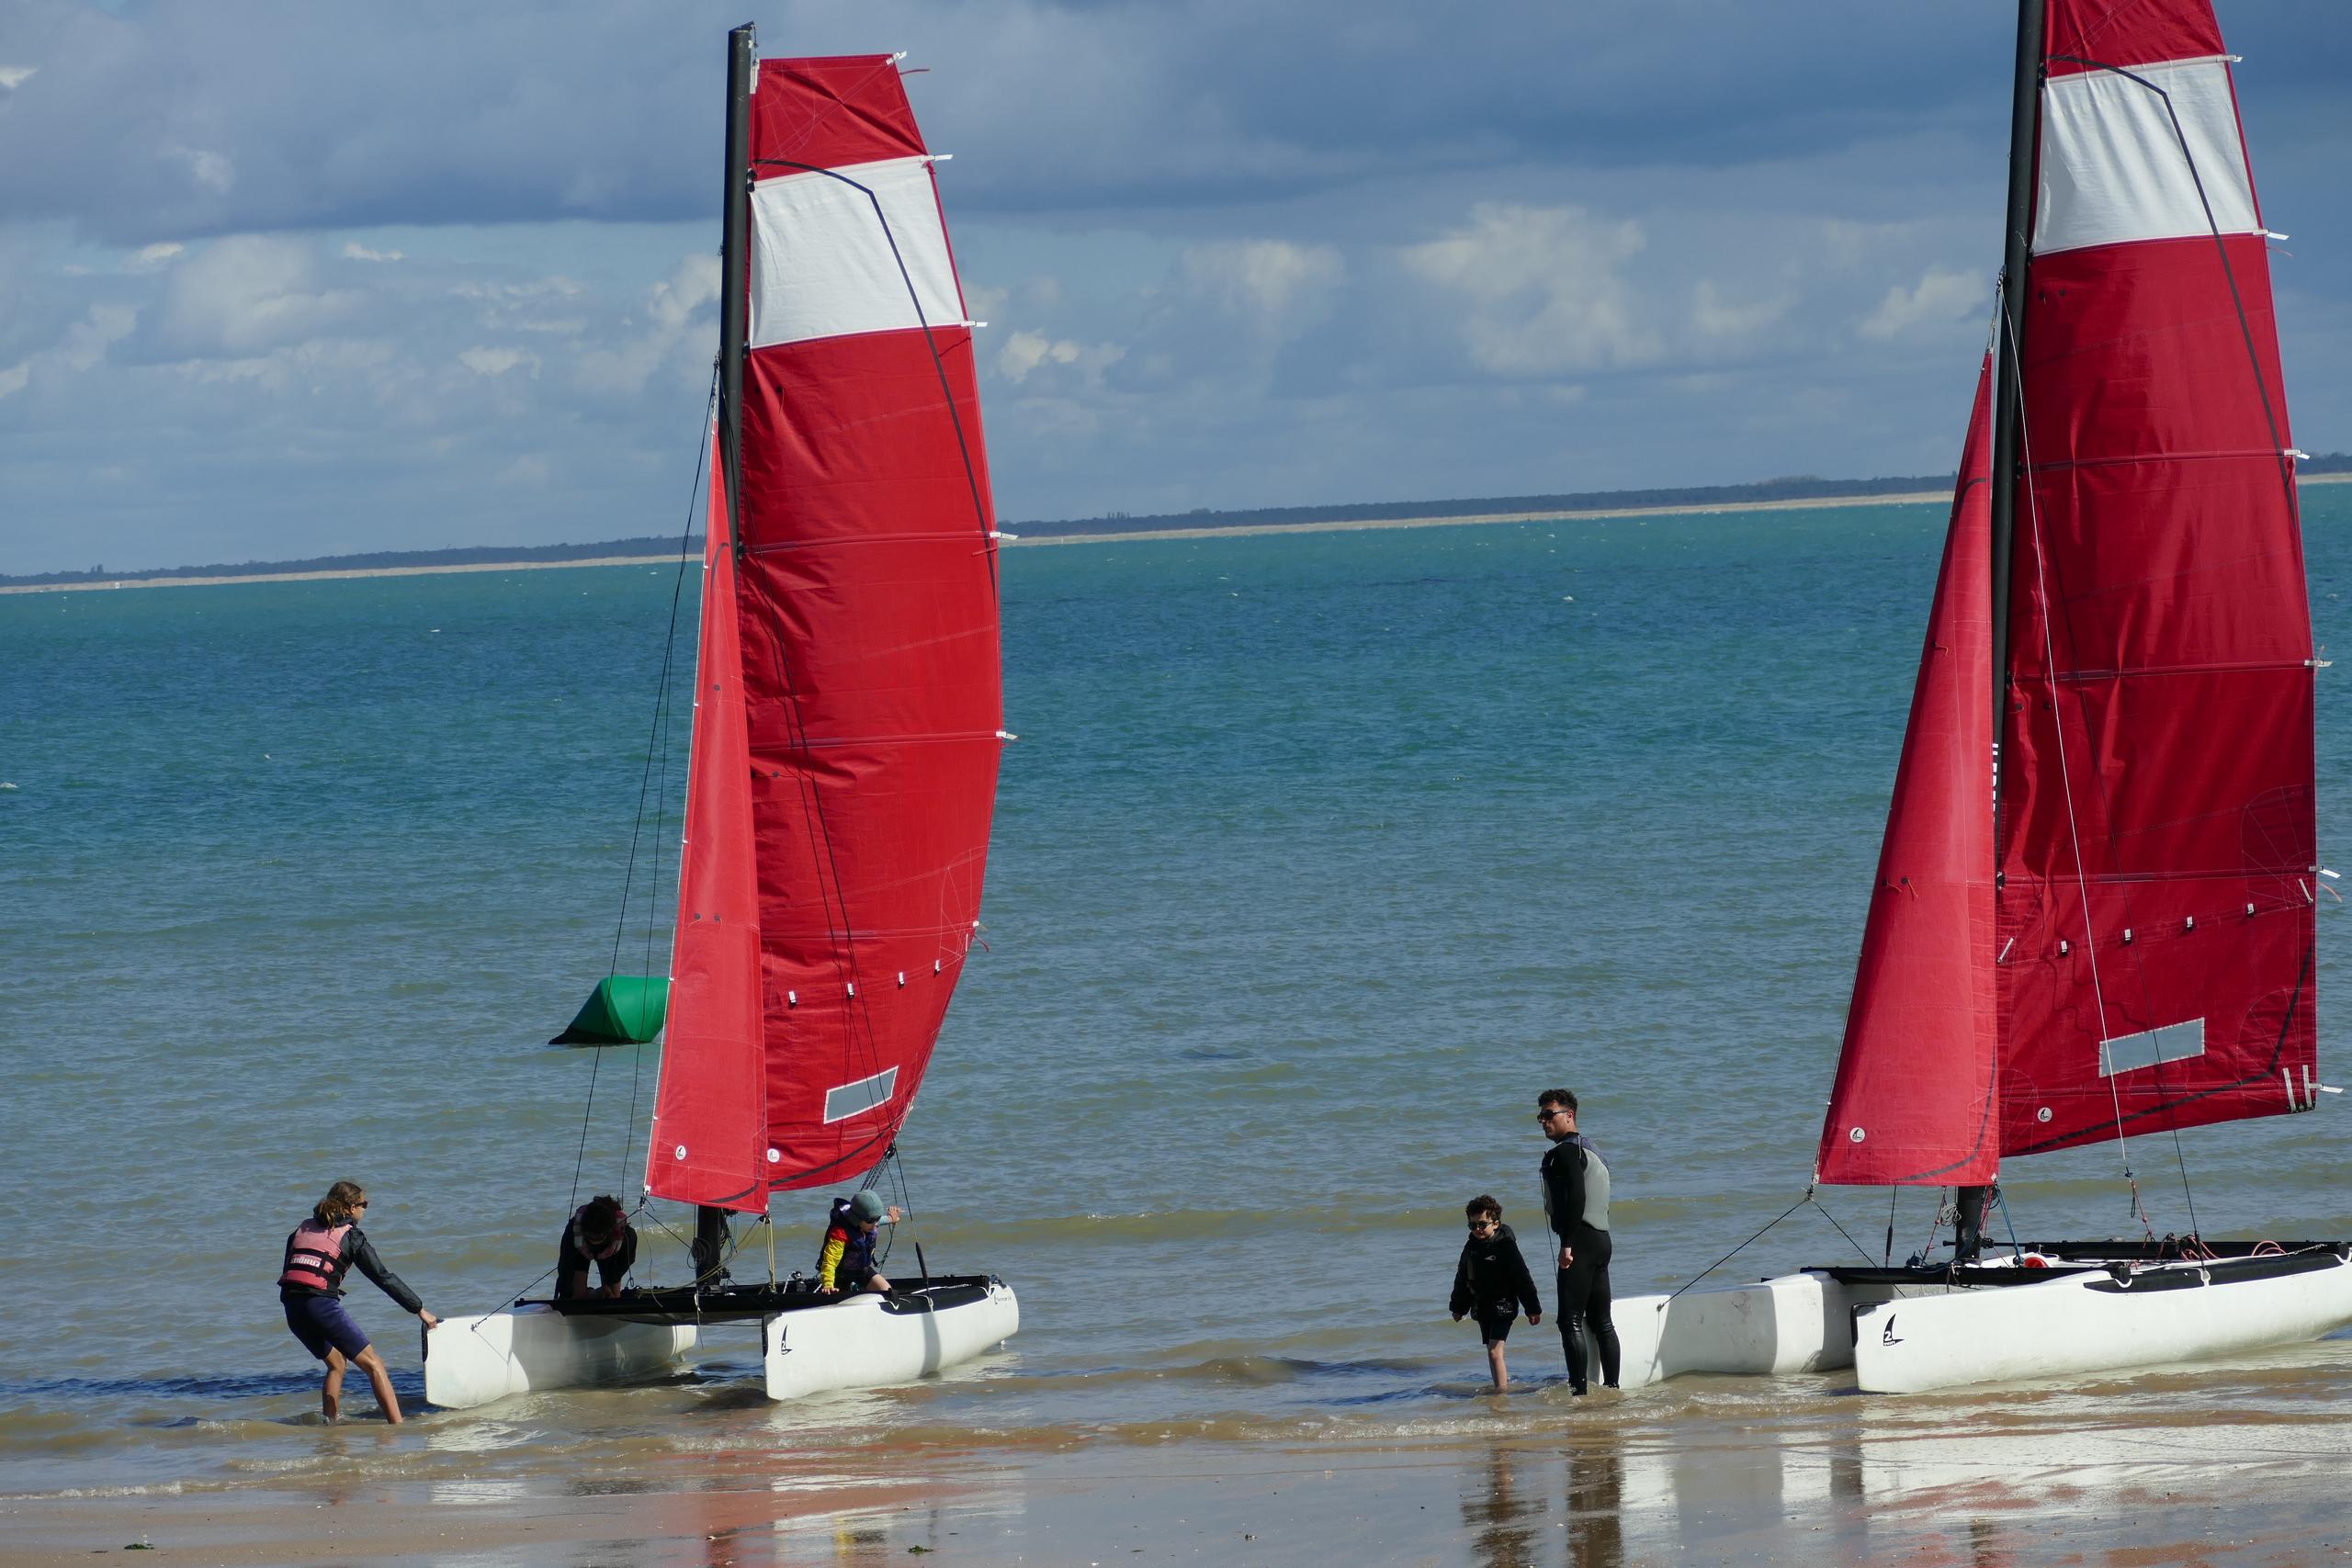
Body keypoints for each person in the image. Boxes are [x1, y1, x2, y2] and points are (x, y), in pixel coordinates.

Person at [277, 1180, 438, 1424]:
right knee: (374, 1365)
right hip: (320, 1305)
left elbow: (292, 1272)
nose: (366, 1208)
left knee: (336, 1363)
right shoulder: (351, 1236)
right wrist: (419, 1309)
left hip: (292, 1307)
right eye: (364, 1204)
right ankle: (398, 1429)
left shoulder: (301, 1229)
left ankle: (330, 1427)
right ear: (351, 1208)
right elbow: (382, 1276)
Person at [1538, 1089, 1621, 1395]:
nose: (1544, 1121)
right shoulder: (1592, 1149)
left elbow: (1577, 1196)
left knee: (1569, 1321)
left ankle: (1579, 1394)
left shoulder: (1565, 1152)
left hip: (1580, 1241)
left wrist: (1567, 1244)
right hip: (1601, 1239)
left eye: (1549, 1115)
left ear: (1569, 1115)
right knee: (1602, 1322)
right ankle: (1612, 1389)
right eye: (1540, 1117)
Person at [1449, 1194, 1543, 1392]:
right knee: (1491, 1351)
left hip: (1503, 1305)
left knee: (1494, 1351)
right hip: (1482, 1306)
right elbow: (1462, 1279)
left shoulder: (1505, 1246)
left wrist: (1532, 1308)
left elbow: (1522, 1278)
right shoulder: (1470, 1247)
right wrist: (1458, 1307)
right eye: (1472, 1225)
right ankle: (1500, 1385)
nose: (1477, 1229)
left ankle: (1501, 1395)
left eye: (1482, 1225)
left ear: (1496, 1223)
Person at [817, 1190, 904, 1295]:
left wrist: (891, 1218)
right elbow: (830, 1262)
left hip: (862, 1271)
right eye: (871, 1220)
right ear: (856, 1218)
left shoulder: (869, 1223)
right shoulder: (840, 1233)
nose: (875, 1224)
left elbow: (880, 1220)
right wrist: (828, 1284)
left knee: (887, 1291)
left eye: (877, 1219)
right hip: (841, 1276)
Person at [555, 1194, 638, 1299]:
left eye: (598, 1237)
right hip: (580, 1248)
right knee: (576, 1296)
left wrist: (609, 1284)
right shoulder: (573, 1231)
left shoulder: (626, 1236)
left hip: (610, 1249)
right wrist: (566, 1290)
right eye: (591, 1237)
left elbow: (621, 1267)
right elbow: (566, 1267)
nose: (594, 1241)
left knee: (612, 1297)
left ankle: (600, 1292)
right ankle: (588, 1294)